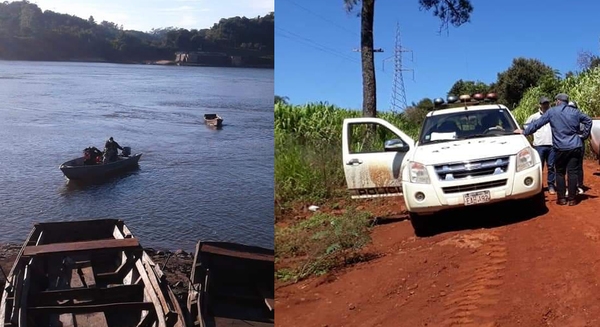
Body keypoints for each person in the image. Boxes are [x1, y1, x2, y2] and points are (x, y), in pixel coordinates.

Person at [518, 93, 592, 206]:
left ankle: (562, 199)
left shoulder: (552, 112)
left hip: (560, 147)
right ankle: (572, 199)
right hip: (575, 146)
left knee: (560, 172)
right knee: (572, 172)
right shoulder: (575, 112)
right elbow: (588, 120)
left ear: (558, 101)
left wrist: (525, 132)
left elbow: (537, 124)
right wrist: (584, 135)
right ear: (567, 102)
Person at [524, 97, 555, 194]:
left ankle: (551, 186)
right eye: (543, 104)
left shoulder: (553, 115)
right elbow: (526, 126)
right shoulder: (534, 117)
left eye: (547, 103)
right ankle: (539, 186)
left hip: (552, 144)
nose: (545, 105)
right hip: (539, 145)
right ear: (540, 105)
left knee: (551, 166)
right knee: (539, 167)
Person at [568, 100, 586, 195]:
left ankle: (579, 185)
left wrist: (583, 136)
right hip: (569, 143)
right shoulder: (565, 117)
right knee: (569, 166)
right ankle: (571, 186)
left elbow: (583, 128)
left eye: (573, 108)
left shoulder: (579, 116)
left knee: (579, 165)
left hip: (579, 142)